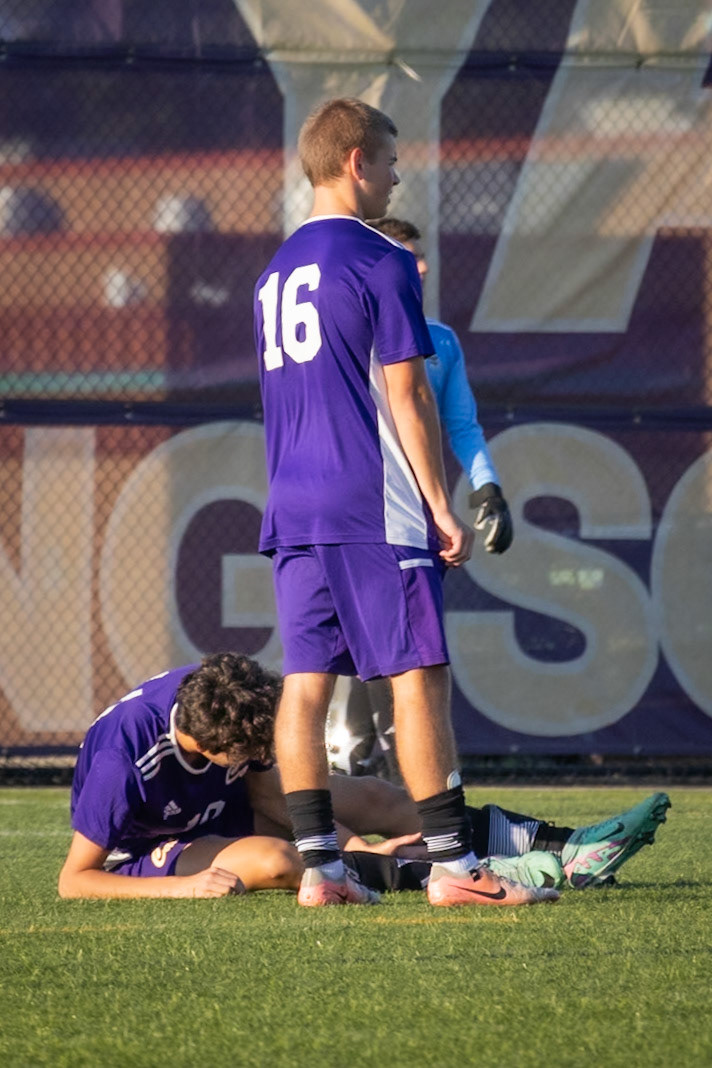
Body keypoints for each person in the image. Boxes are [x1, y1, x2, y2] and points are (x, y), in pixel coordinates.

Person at [252, 95, 558, 908]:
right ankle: (457, 868)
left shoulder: (273, 274)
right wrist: (439, 505)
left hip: (293, 504)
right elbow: (409, 395)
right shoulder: (379, 260)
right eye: (389, 161)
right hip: (370, 501)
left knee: (305, 685)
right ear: (356, 162)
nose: (395, 177)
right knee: (420, 677)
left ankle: (321, 871)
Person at [58, 653, 671, 899]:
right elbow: (74, 880)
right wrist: (178, 889)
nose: (265, 754)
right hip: (157, 845)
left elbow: (274, 791)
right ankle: (485, 872)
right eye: (253, 751)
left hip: (217, 803)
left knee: (381, 797)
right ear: (216, 750)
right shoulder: (122, 763)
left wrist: (355, 844)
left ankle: (566, 846)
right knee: (277, 861)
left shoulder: (220, 695)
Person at [328, 214, 511, 781]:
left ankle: (397, 784)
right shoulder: (348, 331)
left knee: (409, 649)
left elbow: (462, 424)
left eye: (421, 256)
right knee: (370, 645)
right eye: (409, 256)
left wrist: (487, 487)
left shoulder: (442, 341)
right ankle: (366, 766)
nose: (423, 266)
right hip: (364, 510)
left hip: (422, 516)